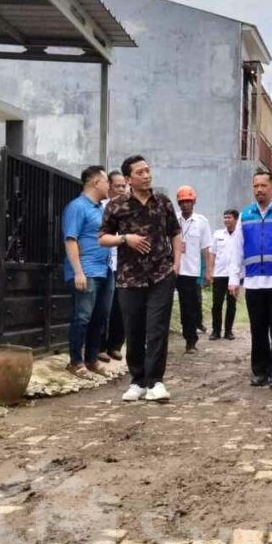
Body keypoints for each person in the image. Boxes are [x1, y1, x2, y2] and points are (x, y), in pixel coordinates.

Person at [99, 155, 181, 402]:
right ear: (128, 179)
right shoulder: (116, 206)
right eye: (140, 172)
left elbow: (175, 233)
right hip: (129, 277)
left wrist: (175, 264)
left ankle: (156, 382)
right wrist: (126, 239)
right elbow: (102, 237)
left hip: (161, 275)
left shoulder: (163, 202)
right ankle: (138, 381)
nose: (146, 175)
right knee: (133, 330)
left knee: (157, 329)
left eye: (148, 170)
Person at [229, 171, 272, 389]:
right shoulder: (246, 215)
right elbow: (237, 249)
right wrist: (234, 278)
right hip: (254, 282)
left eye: (263, 186)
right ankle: (259, 371)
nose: (259, 190)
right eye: (256, 186)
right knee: (257, 329)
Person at [62, 166, 113, 377]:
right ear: (95, 183)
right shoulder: (77, 207)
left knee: (100, 317)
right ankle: (75, 361)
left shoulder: (100, 209)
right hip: (87, 270)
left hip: (104, 270)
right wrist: (78, 272)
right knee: (82, 317)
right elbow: (70, 239)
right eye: (106, 181)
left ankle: (91, 360)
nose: (108, 185)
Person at [174, 186, 214, 353]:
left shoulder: (201, 222)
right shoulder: (173, 219)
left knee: (189, 307)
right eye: (182, 202)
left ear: (194, 202)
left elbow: (206, 248)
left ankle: (191, 341)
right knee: (162, 305)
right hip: (172, 269)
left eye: (188, 202)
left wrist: (208, 271)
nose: (185, 205)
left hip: (190, 272)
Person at [99, 169, 128, 362]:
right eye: (117, 185)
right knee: (103, 307)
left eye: (123, 186)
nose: (121, 189)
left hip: (124, 264)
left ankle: (115, 345)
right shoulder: (100, 207)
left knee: (122, 306)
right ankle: (99, 346)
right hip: (104, 263)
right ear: (109, 186)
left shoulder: (129, 208)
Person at [210, 209, 240, 340]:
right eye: (225, 217)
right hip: (219, 274)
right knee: (217, 303)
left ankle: (228, 331)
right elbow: (212, 253)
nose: (226, 220)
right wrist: (210, 271)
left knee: (231, 304)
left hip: (234, 275)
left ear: (236, 219)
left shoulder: (240, 234)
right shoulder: (218, 234)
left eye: (229, 217)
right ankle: (216, 331)